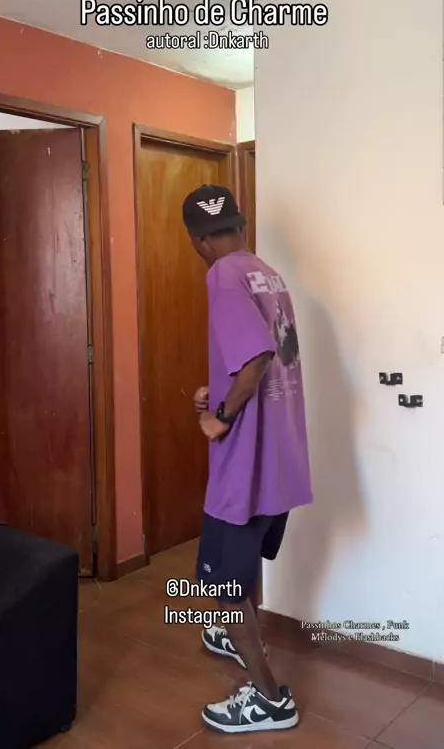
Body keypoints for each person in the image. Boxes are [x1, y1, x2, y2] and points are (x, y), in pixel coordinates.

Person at [182, 184, 313, 734]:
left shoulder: (221, 275)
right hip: (280, 458)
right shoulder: (268, 275)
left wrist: (222, 416)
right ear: (241, 225)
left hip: (244, 465)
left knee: (220, 587)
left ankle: (269, 699)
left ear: (198, 241)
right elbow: (276, 360)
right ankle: (239, 639)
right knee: (244, 565)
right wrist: (218, 391)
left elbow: (256, 360)